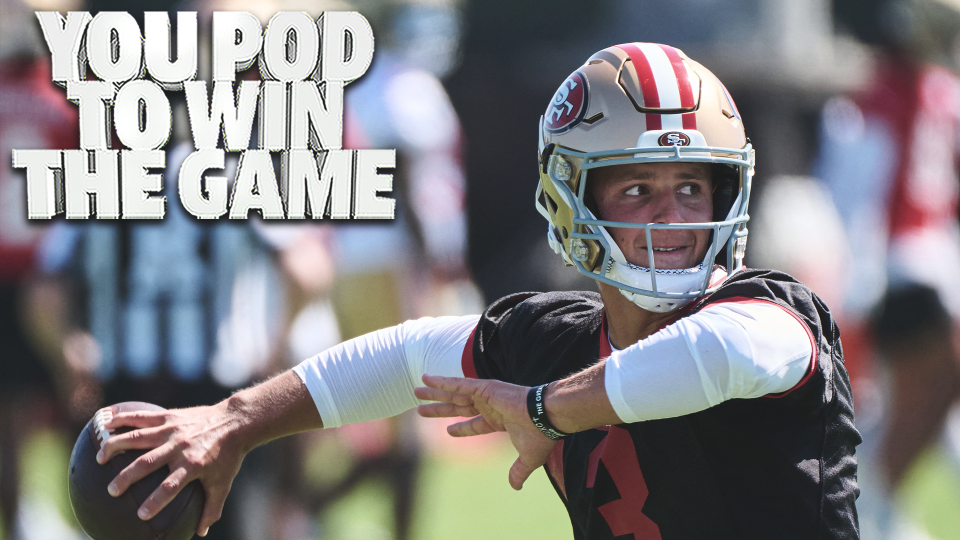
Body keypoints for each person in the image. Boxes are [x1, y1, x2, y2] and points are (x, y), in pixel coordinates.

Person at [95, 43, 861, 539]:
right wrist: (233, 422)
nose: (674, 215)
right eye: (637, 188)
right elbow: (406, 355)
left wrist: (543, 408)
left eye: (694, 184)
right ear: (575, 200)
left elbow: (719, 355)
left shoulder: (768, 313)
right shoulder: (554, 339)